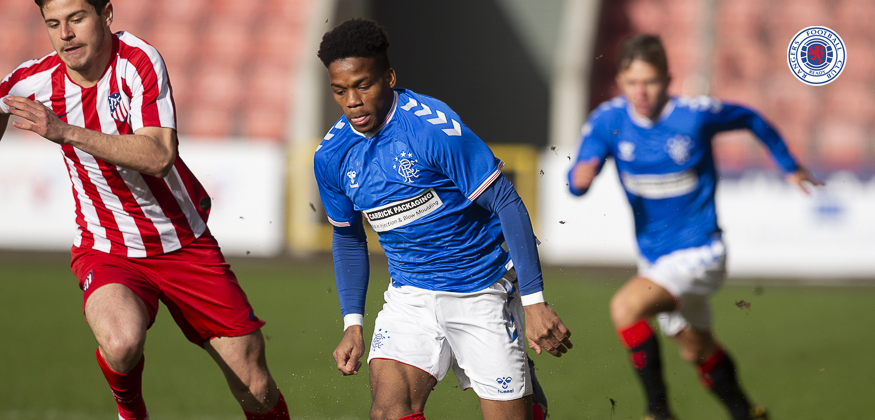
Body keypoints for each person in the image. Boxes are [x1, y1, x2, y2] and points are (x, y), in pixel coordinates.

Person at [0, 1, 290, 419]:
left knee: (256, 385)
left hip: (183, 242)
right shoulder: (37, 78)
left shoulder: (138, 61)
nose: (65, 35)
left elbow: (159, 155)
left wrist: (65, 131)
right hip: (107, 247)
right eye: (53, 24)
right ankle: (131, 413)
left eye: (76, 19)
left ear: (106, 14)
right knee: (120, 341)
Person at [313, 18, 572, 420]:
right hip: (410, 296)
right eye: (339, 90)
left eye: (363, 85)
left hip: (480, 289)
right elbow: (348, 237)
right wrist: (352, 323)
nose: (352, 101)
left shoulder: (431, 128)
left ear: (389, 78)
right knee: (388, 412)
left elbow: (506, 202)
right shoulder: (331, 156)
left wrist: (535, 303)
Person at [568, 34, 822, 420]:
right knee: (696, 349)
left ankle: (658, 412)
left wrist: (788, 165)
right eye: (632, 82)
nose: (641, 92)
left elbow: (750, 118)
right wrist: (580, 178)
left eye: (650, 81)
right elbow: (578, 176)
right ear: (620, 81)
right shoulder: (608, 120)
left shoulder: (694, 115)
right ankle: (748, 413)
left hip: (701, 252)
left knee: (625, 308)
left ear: (668, 80)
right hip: (655, 260)